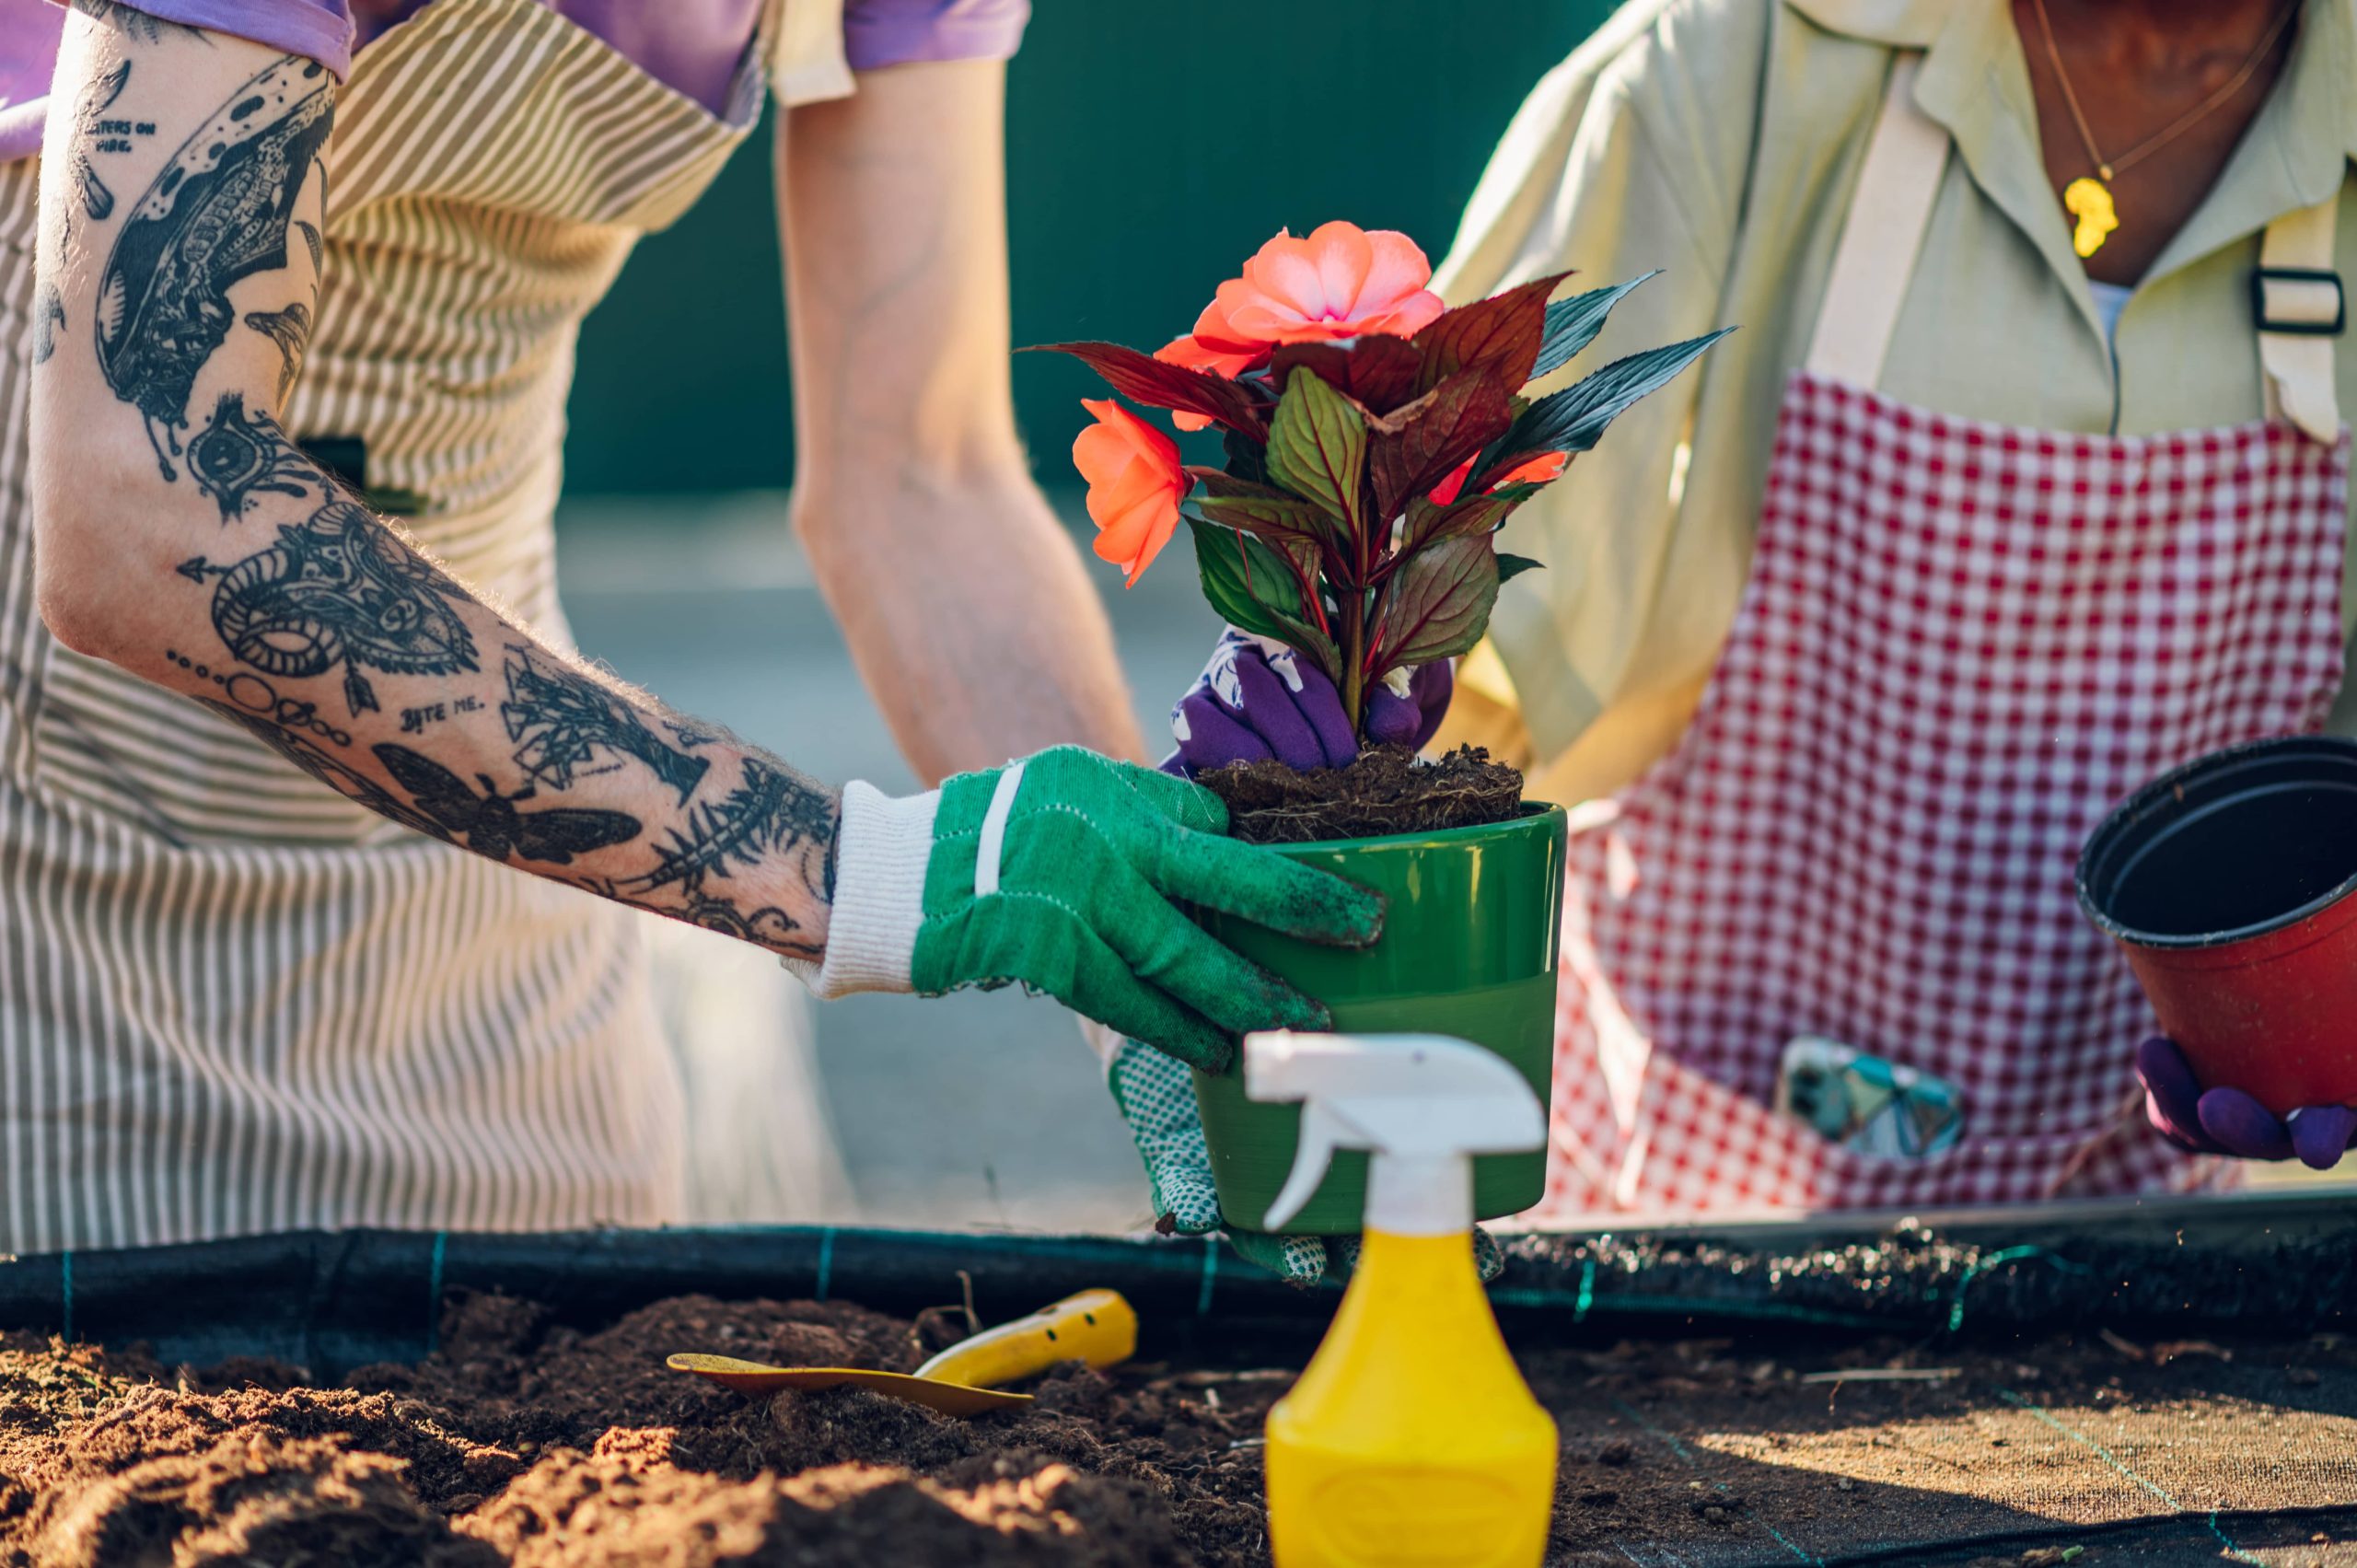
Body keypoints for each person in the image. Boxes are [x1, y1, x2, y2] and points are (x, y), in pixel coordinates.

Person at [1, 0, 1383, 1255]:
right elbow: (142, 498)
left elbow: (920, 478)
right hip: (60, 875)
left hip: (486, 900)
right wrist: (874, 874)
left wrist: (1155, 993)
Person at [1127, 0, 2357, 1240]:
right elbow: (1462, 619)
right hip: (1704, 1209)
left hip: (2145, 1250)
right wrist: (1342, 704)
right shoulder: (1719, 74)